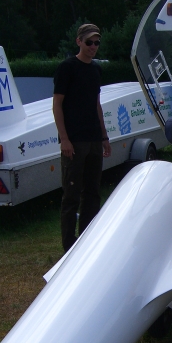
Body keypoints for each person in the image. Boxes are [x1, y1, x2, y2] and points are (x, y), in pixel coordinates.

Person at [53, 23, 111, 252]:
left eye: (96, 43)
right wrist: (64, 139)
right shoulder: (67, 67)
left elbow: (97, 105)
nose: (93, 47)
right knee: (71, 195)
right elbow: (57, 105)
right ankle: (69, 247)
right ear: (79, 42)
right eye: (89, 42)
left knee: (93, 193)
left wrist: (104, 137)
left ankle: (87, 243)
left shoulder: (96, 70)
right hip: (74, 140)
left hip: (94, 139)